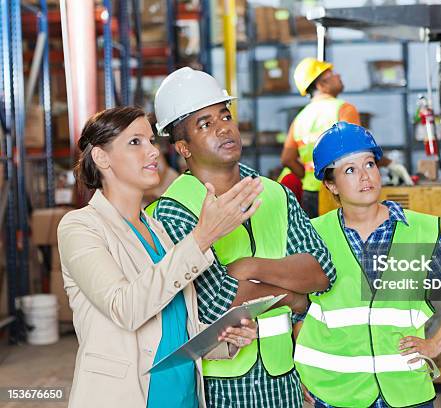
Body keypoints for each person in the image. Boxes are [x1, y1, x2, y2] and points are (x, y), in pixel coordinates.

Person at [146, 67, 336, 408]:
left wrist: (246, 266)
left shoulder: (275, 193)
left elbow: (321, 273)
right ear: (183, 147)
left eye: (225, 116)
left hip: (283, 379)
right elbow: (216, 301)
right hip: (220, 386)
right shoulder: (172, 211)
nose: (223, 128)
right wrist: (292, 298)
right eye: (204, 124)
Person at [57, 106, 261, 408]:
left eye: (151, 141)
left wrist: (223, 338)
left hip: (184, 397)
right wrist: (202, 237)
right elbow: (125, 307)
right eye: (135, 142)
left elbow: (173, 324)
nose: (153, 152)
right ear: (101, 158)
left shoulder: (158, 230)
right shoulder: (80, 227)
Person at [294, 122, 441, 408]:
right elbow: (298, 308)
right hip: (336, 393)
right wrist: (303, 370)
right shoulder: (314, 236)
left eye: (369, 164)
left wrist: (436, 344)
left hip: (405, 391)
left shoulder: (417, 231)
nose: (364, 176)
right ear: (331, 184)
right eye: (349, 170)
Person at [281, 57, 411, 218]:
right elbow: (359, 149)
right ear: (321, 85)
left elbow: (287, 158)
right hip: (338, 191)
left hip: (310, 193)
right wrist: (390, 164)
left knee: (318, 239)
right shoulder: (343, 109)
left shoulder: (300, 117)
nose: (339, 76)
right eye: (332, 74)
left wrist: (311, 176)